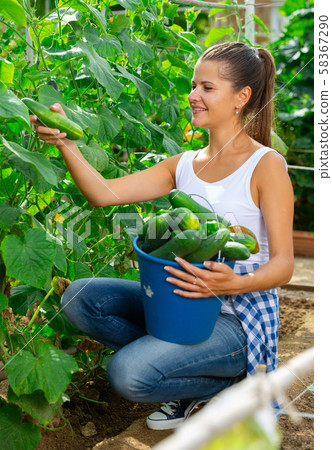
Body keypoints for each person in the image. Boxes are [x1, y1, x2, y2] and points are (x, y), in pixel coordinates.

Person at [30, 42, 294, 430]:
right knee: (80, 298)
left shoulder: (265, 165)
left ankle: (230, 383)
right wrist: (66, 143)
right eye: (193, 85)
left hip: (234, 319)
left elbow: (285, 265)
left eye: (207, 87)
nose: (192, 96)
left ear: (241, 97)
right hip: (174, 303)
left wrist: (238, 282)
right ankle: (181, 373)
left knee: (127, 374)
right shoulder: (183, 165)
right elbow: (103, 193)